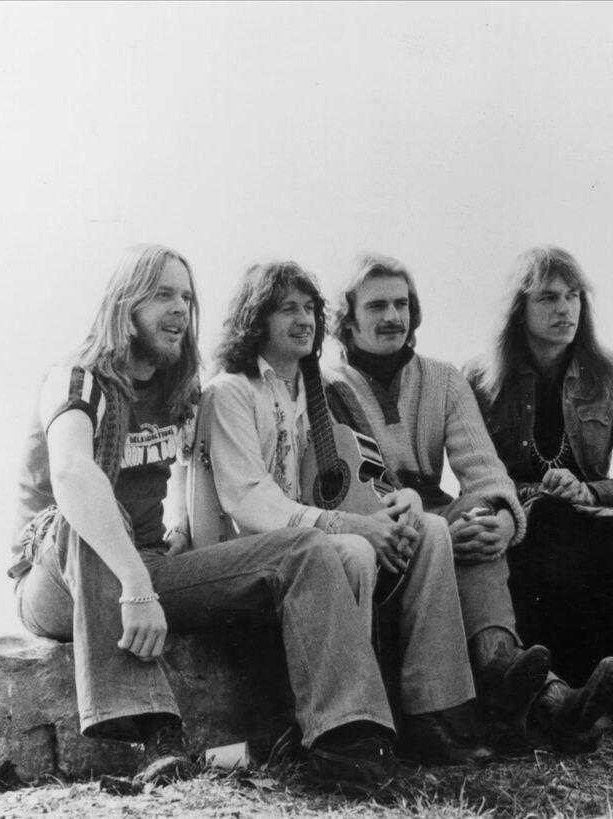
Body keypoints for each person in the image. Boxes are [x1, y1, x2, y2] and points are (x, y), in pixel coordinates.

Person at [9, 244, 410, 795]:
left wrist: (177, 537)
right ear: (125, 304)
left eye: (186, 296)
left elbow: (188, 476)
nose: (180, 308)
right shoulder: (78, 377)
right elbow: (73, 474)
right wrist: (136, 584)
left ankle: (348, 741)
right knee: (97, 513)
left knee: (304, 547)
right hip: (57, 579)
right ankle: (158, 736)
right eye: (162, 295)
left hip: (148, 569)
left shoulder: (178, 387)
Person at [188, 260, 491, 765]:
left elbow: (356, 469)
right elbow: (248, 500)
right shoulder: (231, 391)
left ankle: (430, 716)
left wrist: (404, 501)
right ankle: (350, 727)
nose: (304, 319)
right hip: (242, 557)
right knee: (352, 550)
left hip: (302, 539)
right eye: (288, 309)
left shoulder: (309, 389)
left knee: (431, 530)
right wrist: (349, 525)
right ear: (256, 319)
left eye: (309, 308)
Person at [325, 253, 613, 752]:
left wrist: (504, 518)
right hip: (376, 525)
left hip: (437, 512)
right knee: (451, 526)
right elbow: (351, 491)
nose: (393, 317)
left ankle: (502, 665)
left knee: (478, 514)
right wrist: (435, 532)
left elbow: (483, 469)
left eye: (402, 304)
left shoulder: (443, 378)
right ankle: (550, 699)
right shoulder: (326, 388)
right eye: (376, 306)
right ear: (348, 319)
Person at [464, 246, 613, 727]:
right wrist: (535, 493)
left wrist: (590, 492)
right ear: (520, 309)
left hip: (607, 520)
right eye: (548, 298)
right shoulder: (481, 380)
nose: (565, 309)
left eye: (574, 296)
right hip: (528, 521)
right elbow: (474, 476)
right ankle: (563, 694)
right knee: (548, 533)